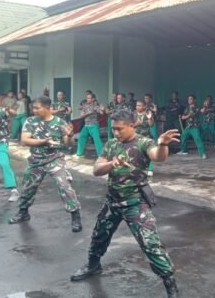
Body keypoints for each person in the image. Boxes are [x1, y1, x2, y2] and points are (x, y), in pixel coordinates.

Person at [70, 110, 181, 298]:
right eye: (113, 128)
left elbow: (158, 156)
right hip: (112, 201)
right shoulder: (112, 144)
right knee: (99, 236)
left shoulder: (144, 142)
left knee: (150, 244)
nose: (115, 132)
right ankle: (93, 265)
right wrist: (112, 163)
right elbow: (97, 169)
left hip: (135, 203)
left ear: (132, 125)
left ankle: (170, 284)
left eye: (119, 129)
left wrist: (162, 144)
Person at [8, 96, 82, 231]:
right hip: (36, 160)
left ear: (47, 108)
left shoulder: (60, 122)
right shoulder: (30, 121)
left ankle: (75, 215)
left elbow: (69, 144)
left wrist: (70, 136)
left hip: (55, 159)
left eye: (37, 108)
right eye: (33, 108)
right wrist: (43, 142)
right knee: (28, 187)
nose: (34, 110)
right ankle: (23, 213)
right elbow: (24, 140)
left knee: (64, 185)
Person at [74, 93, 105, 158]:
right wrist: (87, 113)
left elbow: (101, 113)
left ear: (93, 99)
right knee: (81, 138)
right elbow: (81, 116)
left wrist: (102, 109)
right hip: (86, 126)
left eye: (89, 98)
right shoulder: (85, 105)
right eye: (87, 98)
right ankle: (79, 153)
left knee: (97, 140)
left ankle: (102, 155)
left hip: (94, 125)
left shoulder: (95, 106)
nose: (87, 99)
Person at [177, 94, 207, 159]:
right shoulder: (187, 108)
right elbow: (183, 117)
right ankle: (184, 150)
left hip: (195, 127)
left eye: (191, 99)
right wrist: (188, 115)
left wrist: (205, 106)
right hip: (188, 126)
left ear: (194, 100)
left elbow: (203, 111)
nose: (189, 100)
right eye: (188, 99)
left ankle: (203, 153)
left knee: (197, 139)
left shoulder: (197, 107)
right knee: (183, 136)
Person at [134, 100, 156, 177]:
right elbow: (129, 125)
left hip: (146, 137)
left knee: (149, 153)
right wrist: (136, 124)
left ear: (144, 106)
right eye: (136, 105)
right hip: (136, 138)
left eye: (139, 105)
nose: (137, 107)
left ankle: (150, 169)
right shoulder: (134, 114)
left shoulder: (147, 113)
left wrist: (150, 118)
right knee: (136, 154)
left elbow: (151, 125)